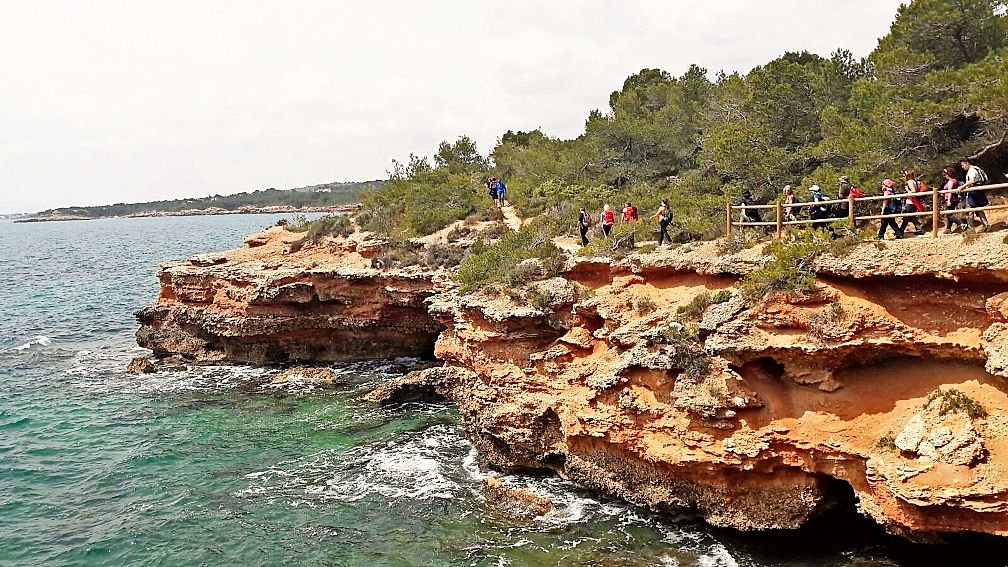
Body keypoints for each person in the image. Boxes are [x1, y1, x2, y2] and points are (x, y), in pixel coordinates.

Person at [958, 157, 991, 231]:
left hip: (973, 193)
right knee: (978, 209)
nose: (962, 167)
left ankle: (970, 229)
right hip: (978, 191)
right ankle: (986, 225)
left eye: (963, 165)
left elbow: (972, 181)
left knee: (969, 209)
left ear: (967, 163)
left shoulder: (972, 170)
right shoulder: (976, 168)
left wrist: (962, 187)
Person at [898, 169, 926, 236]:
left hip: (910, 202)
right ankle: (919, 229)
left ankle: (900, 232)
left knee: (906, 217)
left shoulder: (910, 182)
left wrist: (907, 194)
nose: (903, 176)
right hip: (913, 201)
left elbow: (913, 191)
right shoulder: (914, 181)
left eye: (904, 175)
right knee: (911, 217)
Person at [940, 167, 964, 234]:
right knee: (949, 214)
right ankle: (948, 228)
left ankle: (961, 224)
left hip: (951, 199)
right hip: (954, 199)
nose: (944, 176)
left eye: (945, 174)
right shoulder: (954, 180)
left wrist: (948, 201)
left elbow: (949, 192)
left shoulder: (951, 181)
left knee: (949, 215)